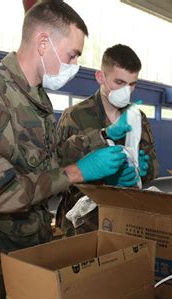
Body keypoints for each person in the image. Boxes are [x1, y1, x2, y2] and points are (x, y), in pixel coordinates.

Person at [0, 2, 130, 299]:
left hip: (26, 243)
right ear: (43, 41)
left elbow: (46, 157)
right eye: (72, 54)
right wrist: (79, 171)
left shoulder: (35, 96)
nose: (74, 65)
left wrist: (102, 139)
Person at [56, 44, 159, 236]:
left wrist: (144, 171)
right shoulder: (75, 116)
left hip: (125, 220)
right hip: (83, 225)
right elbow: (55, 171)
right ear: (100, 77)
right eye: (119, 82)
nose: (126, 91)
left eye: (132, 84)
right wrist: (103, 179)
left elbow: (153, 166)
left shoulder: (137, 117)